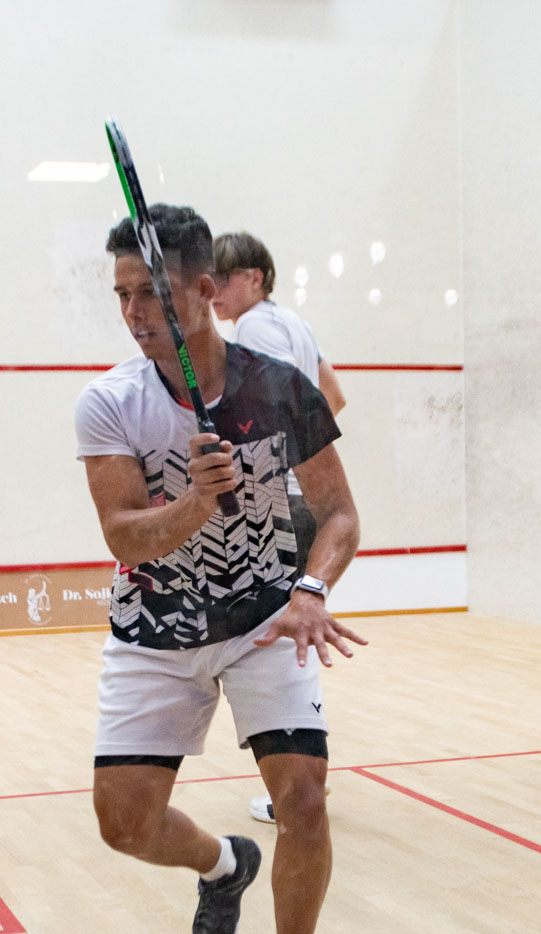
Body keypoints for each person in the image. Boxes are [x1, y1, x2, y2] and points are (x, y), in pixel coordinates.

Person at [75, 203, 366, 934]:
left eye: (150, 293)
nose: (133, 314)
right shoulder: (110, 402)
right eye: (121, 295)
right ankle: (223, 864)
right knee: (124, 823)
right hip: (154, 626)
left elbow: (341, 515)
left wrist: (310, 588)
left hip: (263, 619)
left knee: (303, 796)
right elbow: (124, 536)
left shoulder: (279, 389)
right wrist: (197, 502)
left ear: (205, 290)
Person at [211, 231, 348, 826]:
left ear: (257, 278)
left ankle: (295, 786)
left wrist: (277, 464)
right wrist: (304, 455)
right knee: (290, 635)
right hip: (301, 499)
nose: (214, 291)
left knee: (278, 641)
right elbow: (332, 397)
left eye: (225, 278)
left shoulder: (253, 332)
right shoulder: (294, 324)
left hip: (280, 505)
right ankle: (300, 781)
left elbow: (270, 414)